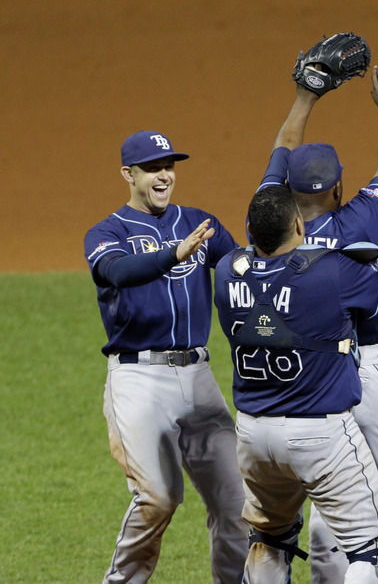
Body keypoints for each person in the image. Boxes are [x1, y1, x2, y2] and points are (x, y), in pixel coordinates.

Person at [256, 56, 378, 582]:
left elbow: (281, 151)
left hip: (298, 384)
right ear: (336, 188)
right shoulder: (359, 216)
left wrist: (305, 98)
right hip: (361, 371)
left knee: (334, 493)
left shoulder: (267, 223)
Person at [83, 130, 248, 583]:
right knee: (158, 497)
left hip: (198, 377)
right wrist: (174, 254)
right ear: (128, 174)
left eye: (169, 166)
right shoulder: (107, 233)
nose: (164, 175)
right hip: (139, 379)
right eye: (153, 168)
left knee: (237, 504)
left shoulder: (198, 221)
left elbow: (241, 269)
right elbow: (117, 271)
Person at [214, 185, 378, 583]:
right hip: (321, 437)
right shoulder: (334, 273)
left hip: (253, 436)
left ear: (249, 228)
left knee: (269, 539)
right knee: (375, 554)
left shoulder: (226, 271)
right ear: (299, 224)